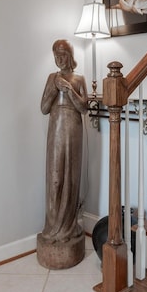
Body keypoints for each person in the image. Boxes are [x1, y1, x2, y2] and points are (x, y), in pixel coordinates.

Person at [40, 39, 88, 245]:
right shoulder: (52, 78)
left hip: (74, 129)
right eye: (55, 55)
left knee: (71, 176)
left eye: (62, 54)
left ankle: (68, 226)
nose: (59, 59)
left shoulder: (79, 79)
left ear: (70, 55)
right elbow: (43, 107)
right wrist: (54, 88)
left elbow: (84, 108)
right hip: (56, 129)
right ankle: (52, 227)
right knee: (56, 176)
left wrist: (69, 89)